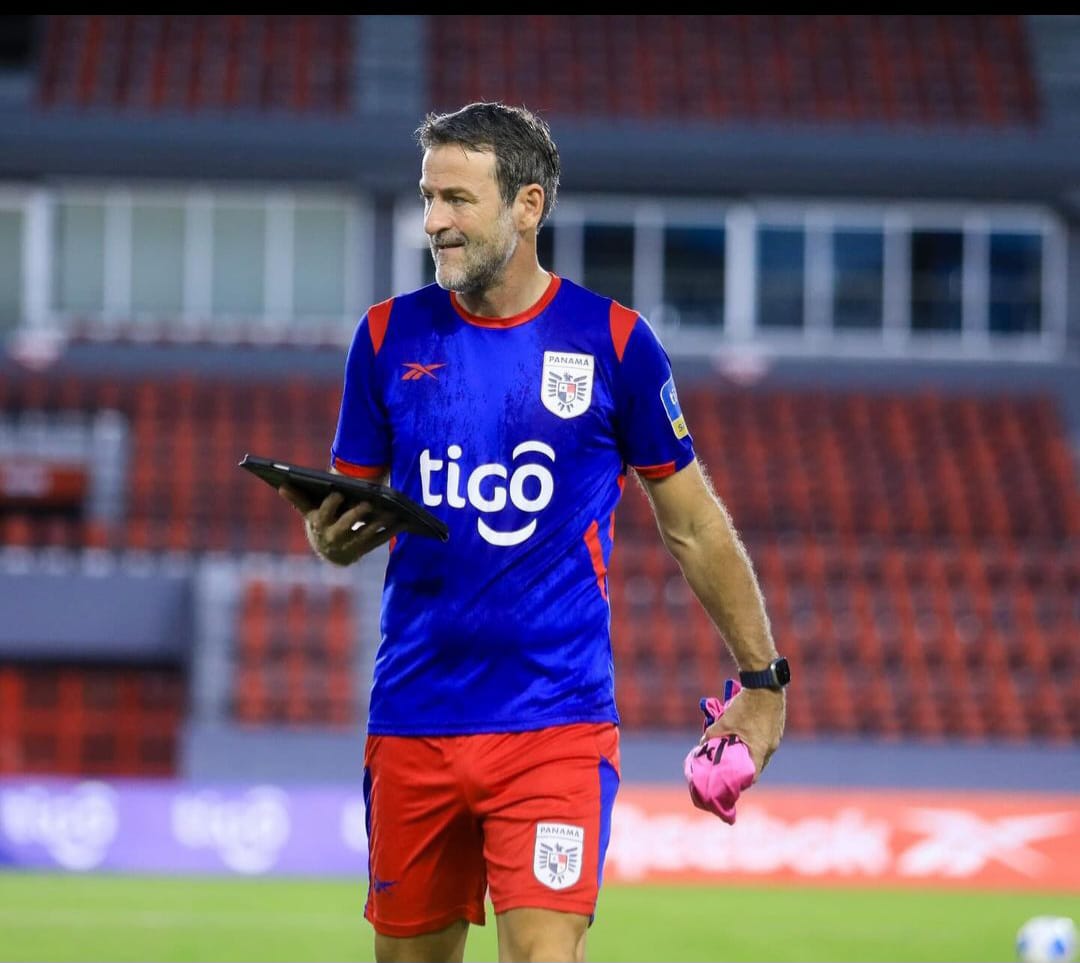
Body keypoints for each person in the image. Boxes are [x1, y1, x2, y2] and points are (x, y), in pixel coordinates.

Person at [278, 101, 787, 963]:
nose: (434, 220)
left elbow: (695, 526)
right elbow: (346, 513)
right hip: (414, 717)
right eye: (428, 197)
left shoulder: (616, 342)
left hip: (554, 723)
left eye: (458, 200)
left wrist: (762, 681)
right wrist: (329, 539)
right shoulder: (383, 338)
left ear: (528, 205)